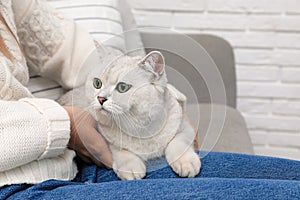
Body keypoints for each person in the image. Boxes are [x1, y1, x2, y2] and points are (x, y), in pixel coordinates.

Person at [0, 1, 300, 199]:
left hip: (69, 163)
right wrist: (65, 123)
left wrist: (161, 97)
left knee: (292, 178)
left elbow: (84, 56)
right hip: (17, 185)